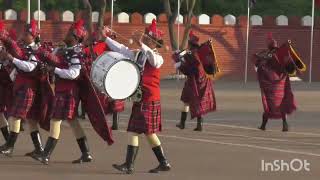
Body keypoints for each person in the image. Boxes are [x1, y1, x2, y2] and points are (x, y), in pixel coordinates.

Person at [33, 19, 113, 165]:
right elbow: (54, 58)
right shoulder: (66, 49)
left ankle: (45, 154)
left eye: (70, 33)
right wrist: (56, 51)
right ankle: (86, 153)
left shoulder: (76, 53)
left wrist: (54, 70)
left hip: (68, 92)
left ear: (75, 37)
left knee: (56, 120)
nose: (66, 34)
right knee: (73, 122)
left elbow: (74, 74)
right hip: (62, 90)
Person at [103, 19, 171, 174]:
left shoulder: (157, 57)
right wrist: (106, 38)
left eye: (148, 38)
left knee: (138, 132)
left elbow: (153, 61)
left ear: (154, 42)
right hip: (141, 98)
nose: (145, 39)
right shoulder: (140, 54)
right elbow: (122, 49)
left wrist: (142, 45)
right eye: (145, 37)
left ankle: (130, 165)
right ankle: (162, 163)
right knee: (144, 133)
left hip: (150, 98)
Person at [0, 20, 52, 157]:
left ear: (33, 35)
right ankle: (39, 149)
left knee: (15, 116)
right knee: (31, 120)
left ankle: (10, 146)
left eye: (27, 33)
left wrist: (11, 59)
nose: (23, 34)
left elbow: (30, 67)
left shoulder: (37, 50)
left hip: (28, 88)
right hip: (21, 86)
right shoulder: (23, 48)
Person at [252, 33, 297, 132]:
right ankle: (284, 125)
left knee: (269, 105)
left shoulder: (266, 54)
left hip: (270, 85)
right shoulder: (280, 53)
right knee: (281, 104)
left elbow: (258, 63)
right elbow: (289, 66)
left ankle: (263, 126)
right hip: (281, 83)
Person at [175, 31, 216, 131]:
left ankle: (182, 123)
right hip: (203, 81)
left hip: (193, 81)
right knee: (199, 102)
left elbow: (188, 68)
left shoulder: (190, 54)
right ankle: (199, 125)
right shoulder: (200, 52)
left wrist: (179, 64)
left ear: (190, 44)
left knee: (186, 101)